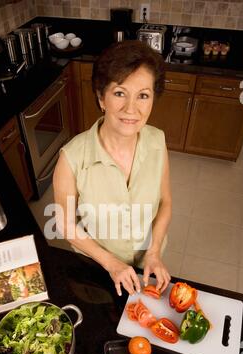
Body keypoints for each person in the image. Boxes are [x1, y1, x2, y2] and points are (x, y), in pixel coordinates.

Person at [53, 40, 172, 297]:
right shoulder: (71, 158)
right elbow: (65, 225)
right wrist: (111, 263)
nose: (131, 109)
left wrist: (153, 252)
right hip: (97, 268)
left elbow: (165, 202)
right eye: (119, 93)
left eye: (143, 95)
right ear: (101, 97)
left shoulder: (157, 141)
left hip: (147, 264)